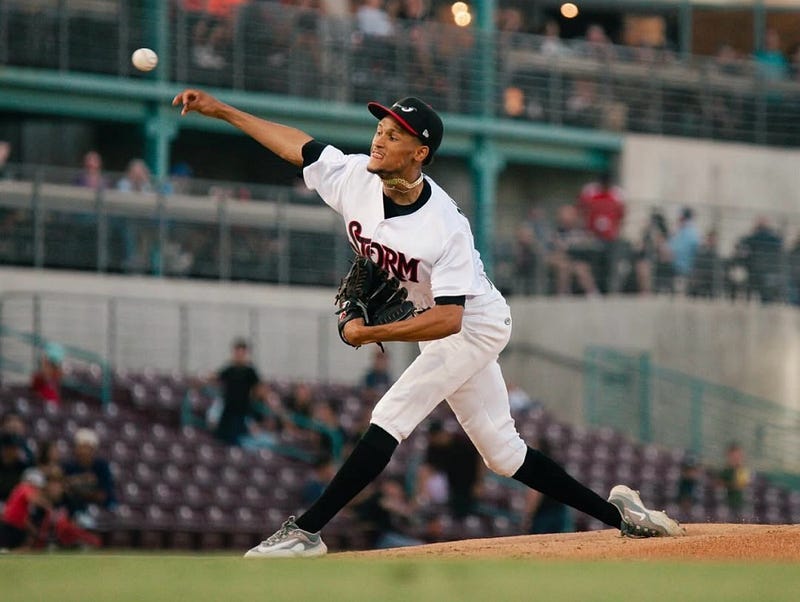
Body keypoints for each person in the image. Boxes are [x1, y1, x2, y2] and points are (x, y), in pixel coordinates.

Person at [171, 87, 684, 558]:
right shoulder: (354, 177)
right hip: (434, 323)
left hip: (473, 324)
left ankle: (306, 532)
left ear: (419, 153)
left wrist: (370, 333)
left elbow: (450, 317)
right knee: (504, 455)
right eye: (379, 128)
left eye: (394, 135)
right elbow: (298, 147)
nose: (379, 139)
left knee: (391, 412)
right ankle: (622, 516)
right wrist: (223, 111)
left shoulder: (444, 225)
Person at [207, 338, 270, 446]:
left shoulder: (250, 371)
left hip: (243, 410)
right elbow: (215, 379)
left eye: (242, 352)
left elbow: (260, 388)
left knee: (241, 437)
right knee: (223, 438)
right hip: (228, 410)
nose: (239, 355)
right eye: (237, 352)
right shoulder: (229, 369)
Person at [61, 428, 117, 526]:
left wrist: (77, 487)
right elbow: (64, 490)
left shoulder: (102, 466)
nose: (84, 451)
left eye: (87, 448)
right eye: (81, 447)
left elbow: (103, 495)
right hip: (75, 510)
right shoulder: (68, 466)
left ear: (94, 450)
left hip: (101, 508)